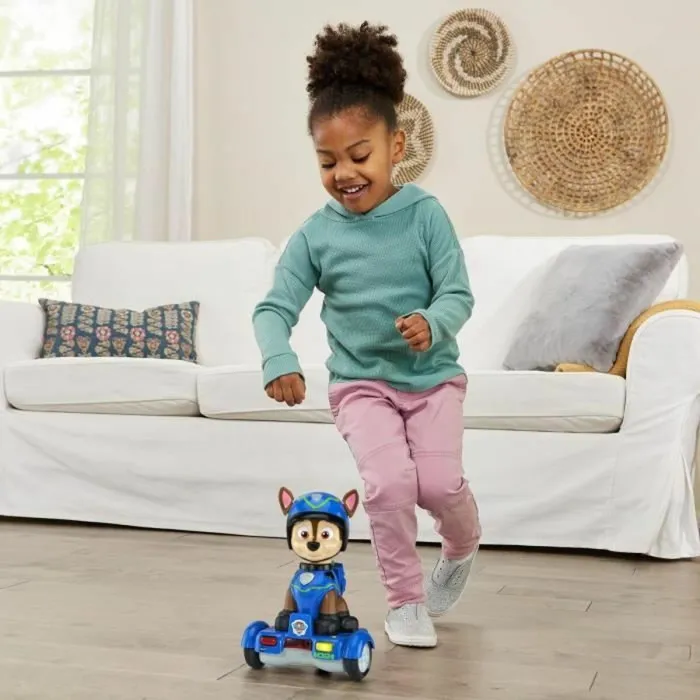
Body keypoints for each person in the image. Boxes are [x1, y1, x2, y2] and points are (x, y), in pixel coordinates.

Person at [252, 21, 481, 648]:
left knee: (437, 486)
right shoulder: (315, 235)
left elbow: (457, 294)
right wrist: (278, 357)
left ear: (395, 146)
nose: (344, 173)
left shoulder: (426, 216)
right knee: (389, 485)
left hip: (433, 382)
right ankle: (405, 603)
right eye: (328, 162)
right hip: (360, 386)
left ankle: (462, 544)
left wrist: (432, 322)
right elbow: (273, 308)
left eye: (360, 156)